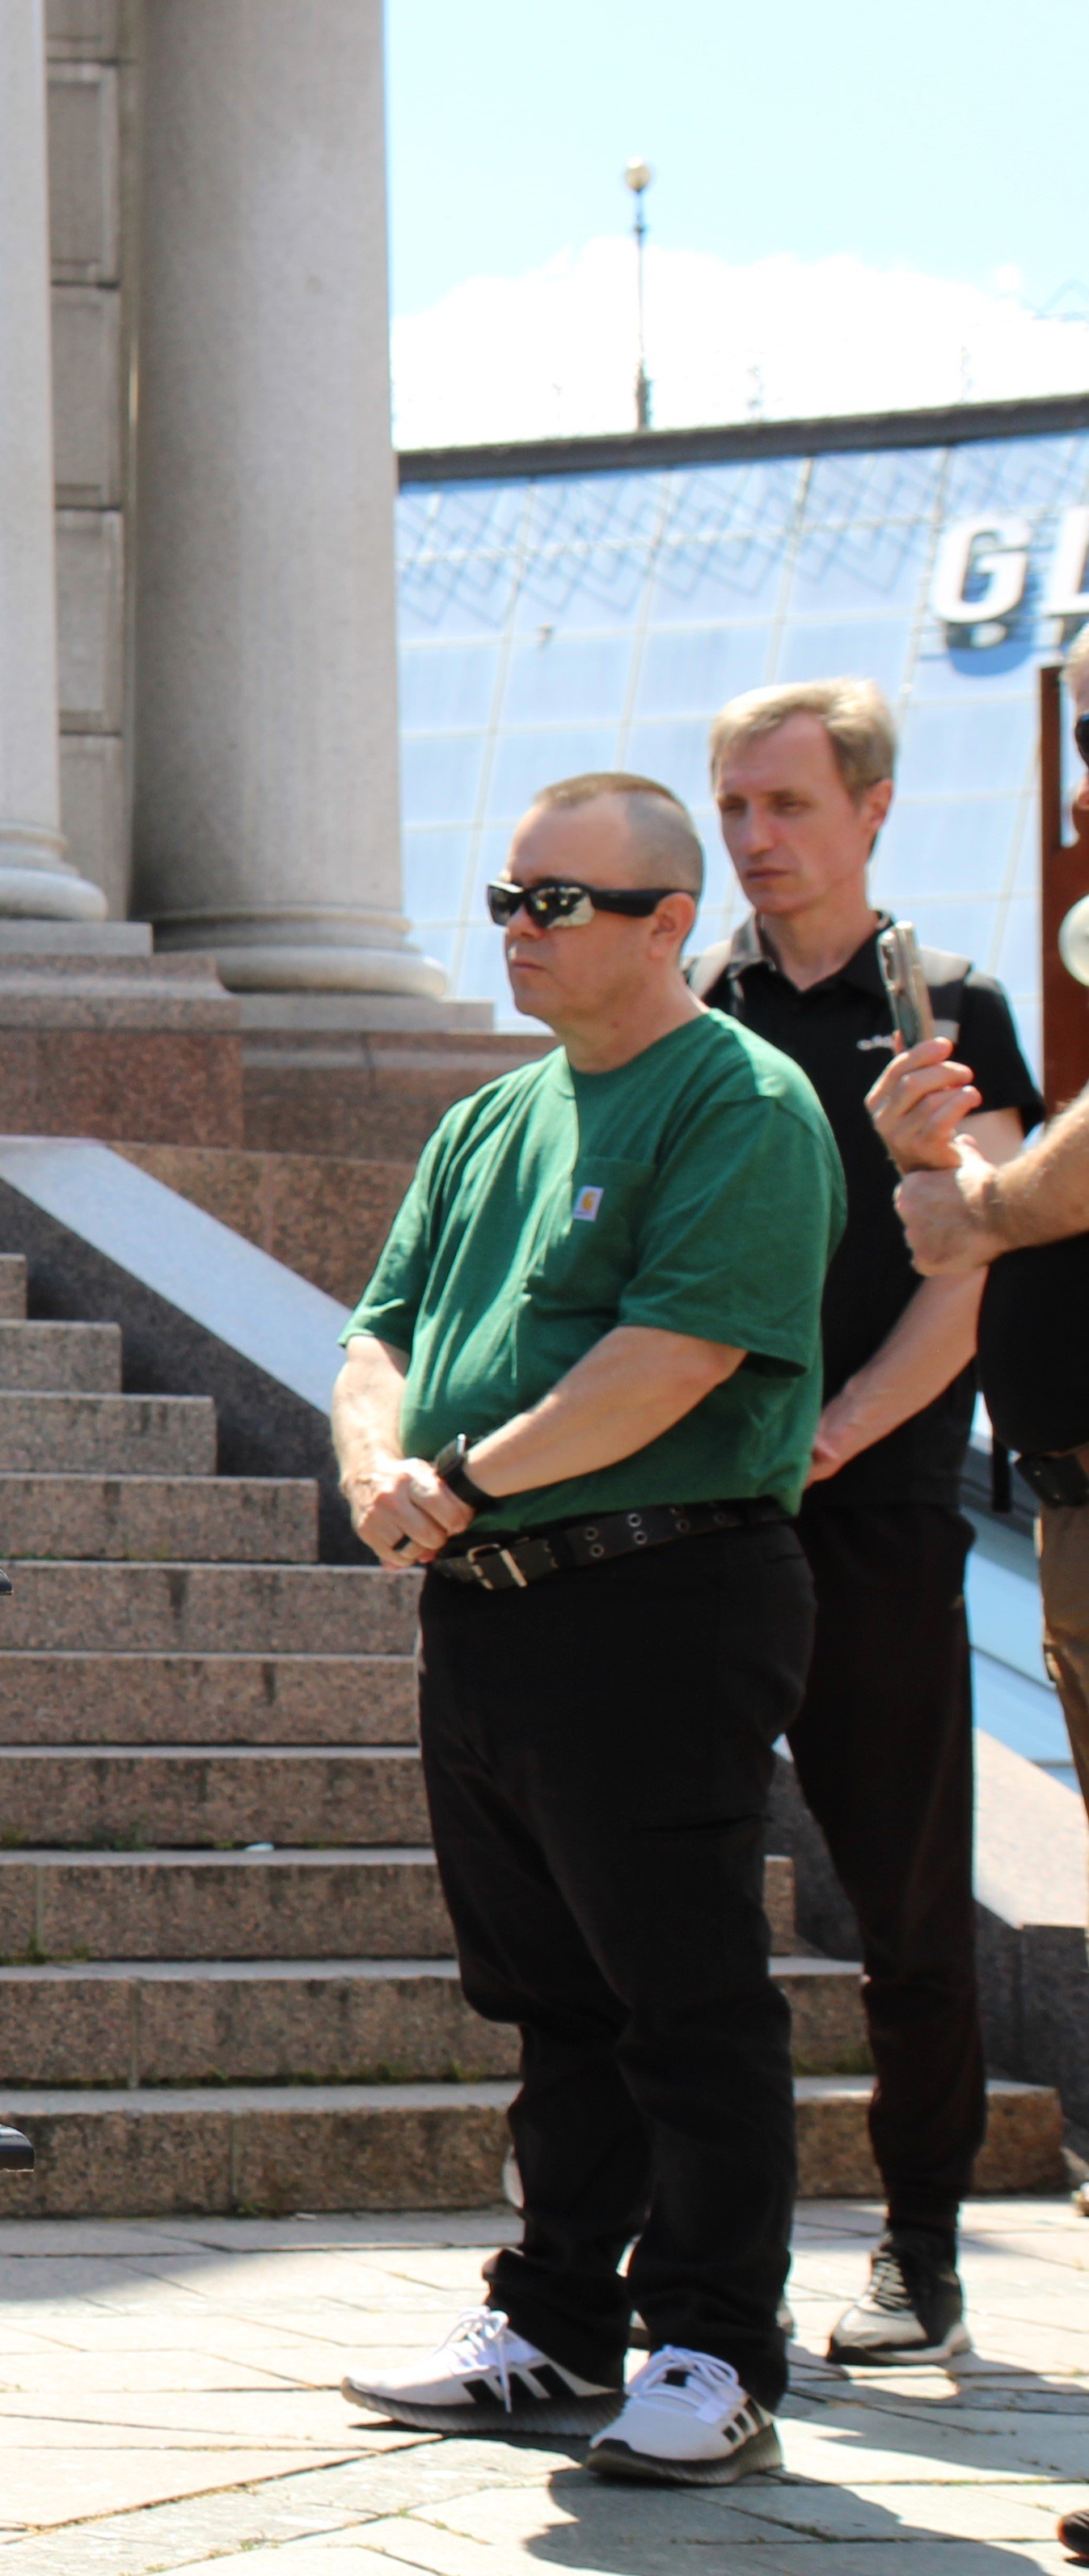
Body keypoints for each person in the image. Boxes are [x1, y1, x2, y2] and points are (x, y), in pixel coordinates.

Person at [331, 771, 842, 2486]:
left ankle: (713, 2341)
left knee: (682, 1989)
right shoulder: (491, 1121)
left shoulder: (741, 1105)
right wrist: (377, 1470)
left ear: (668, 923)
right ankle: (554, 2321)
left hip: (659, 1590)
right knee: (552, 1992)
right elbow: (377, 1333)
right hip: (490, 1612)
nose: (520, 931)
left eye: (561, 902)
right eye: (509, 896)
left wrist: (460, 1480)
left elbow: (674, 1357)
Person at [693, 679, 1030, 2373]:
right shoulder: (709, 1006)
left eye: (789, 806)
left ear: (873, 809)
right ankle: (686, 2254)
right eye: (735, 808)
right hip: (704, 1517)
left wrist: (830, 1438)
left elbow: (975, 1274)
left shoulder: (950, 1007)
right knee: (668, 1882)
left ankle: (921, 2249)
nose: (757, 840)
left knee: (905, 1896)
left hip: (877, 1506)